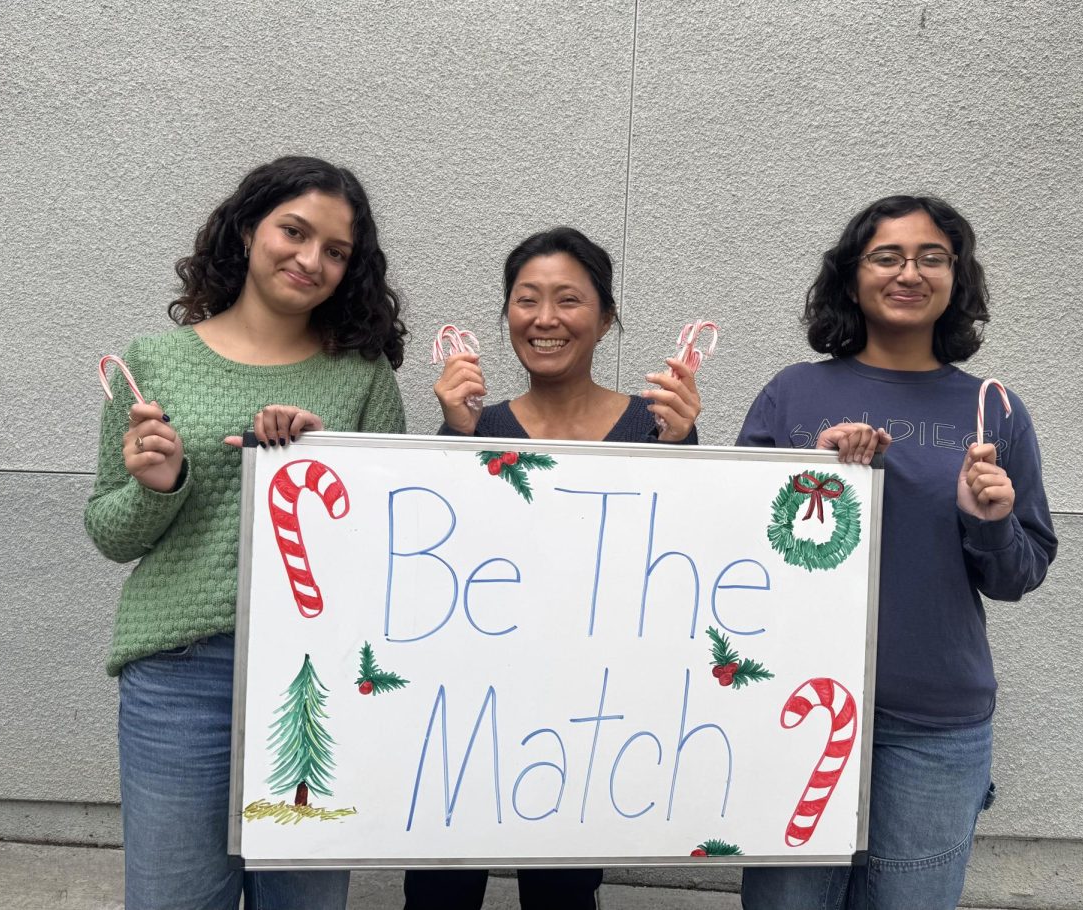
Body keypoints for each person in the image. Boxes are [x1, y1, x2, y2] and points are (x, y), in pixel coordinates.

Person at [85, 156, 406, 910]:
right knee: (174, 899)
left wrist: (325, 469)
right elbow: (109, 529)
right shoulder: (152, 360)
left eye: (336, 251)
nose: (311, 260)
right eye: (294, 232)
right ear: (245, 228)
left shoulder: (360, 377)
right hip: (180, 676)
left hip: (316, 680)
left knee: (304, 901)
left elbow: (387, 543)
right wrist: (160, 489)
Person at [737, 195, 1056, 910]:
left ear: (955, 279)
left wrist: (992, 522)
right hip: (797, 704)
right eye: (887, 256)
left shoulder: (993, 409)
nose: (909, 272)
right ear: (853, 279)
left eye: (931, 258)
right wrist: (811, 482)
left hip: (936, 722)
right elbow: (738, 551)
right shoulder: (794, 392)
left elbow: (1017, 575)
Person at [404, 226, 701, 909]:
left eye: (567, 299)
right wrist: (455, 435)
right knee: (438, 894)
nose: (544, 318)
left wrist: (686, 449)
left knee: (562, 898)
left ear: (606, 317)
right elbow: (431, 566)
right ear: (506, 313)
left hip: (592, 715)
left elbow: (684, 568)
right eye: (526, 299)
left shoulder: (656, 429)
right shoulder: (477, 425)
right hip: (470, 710)